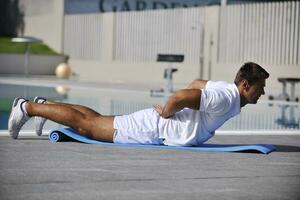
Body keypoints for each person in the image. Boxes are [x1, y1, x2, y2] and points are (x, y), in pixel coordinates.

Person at [8, 62, 269, 146]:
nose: (263, 92)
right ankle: (27, 107)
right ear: (246, 85)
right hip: (154, 128)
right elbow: (180, 98)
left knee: (96, 119)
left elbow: (198, 83)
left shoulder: (226, 90)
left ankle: (44, 104)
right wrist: (168, 113)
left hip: (155, 126)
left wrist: (186, 112)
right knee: (88, 126)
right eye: (261, 87)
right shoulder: (227, 98)